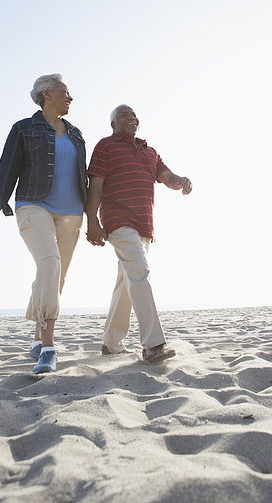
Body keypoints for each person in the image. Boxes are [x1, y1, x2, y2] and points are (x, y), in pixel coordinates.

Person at [0, 74, 87, 374]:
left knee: (56, 276)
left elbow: (85, 181)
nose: (70, 97)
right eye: (65, 92)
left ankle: (37, 337)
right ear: (46, 93)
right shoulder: (24, 128)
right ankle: (49, 347)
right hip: (33, 206)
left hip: (71, 214)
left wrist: (95, 221)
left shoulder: (77, 134)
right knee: (50, 263)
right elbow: (5, 174)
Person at [85, 105, 192, 363]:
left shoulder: (150, 151)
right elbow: (95, 186)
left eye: (134, 115)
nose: (131, 119)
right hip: (118, 220)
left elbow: (166, 176)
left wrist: (181, 181)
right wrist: (91, 222)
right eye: (124, 116)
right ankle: (153, 345)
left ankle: (111, 343)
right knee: (140, 273)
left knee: (127, 281)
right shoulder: (105, 147)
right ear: (113, 124)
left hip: (144, 225)